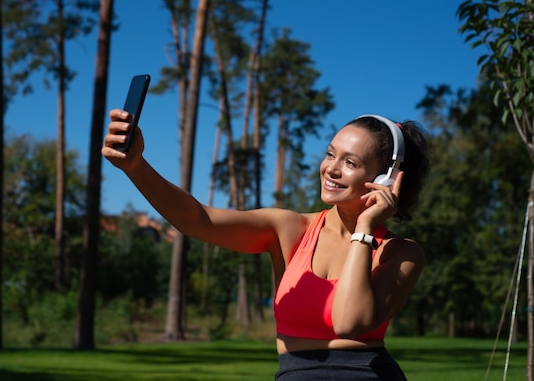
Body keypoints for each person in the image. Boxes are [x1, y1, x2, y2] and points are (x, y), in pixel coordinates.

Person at [102, 109, 431, 380]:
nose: (331, 168)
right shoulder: (290, 229)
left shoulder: (401, 254)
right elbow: (197, 220)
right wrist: (135, 167)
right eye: (331, 154)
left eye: (350, 162)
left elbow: (349, 322)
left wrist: (364, 227)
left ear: (387, 179)